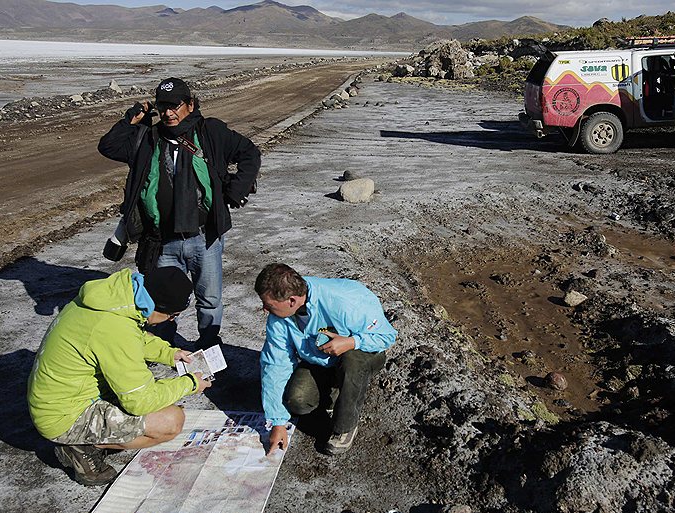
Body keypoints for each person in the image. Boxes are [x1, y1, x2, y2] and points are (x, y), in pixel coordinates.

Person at [98, 77, 261, 350]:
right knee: (161, 300)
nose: (169, 113)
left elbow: (249, 153)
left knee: (209, 299)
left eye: (175, 106)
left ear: (190, 104)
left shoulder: (211, 132)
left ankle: (209, 345)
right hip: (162, 240)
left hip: (204, 237)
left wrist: (236, 190)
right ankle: (162, 348)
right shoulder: (147, 138)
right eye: (163, 107)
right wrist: (132, 118)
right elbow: (108, 146)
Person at [27, 266, 212, 486]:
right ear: (155, 306)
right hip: (64, 417)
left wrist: (170, 354)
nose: (171, 321)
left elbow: (136, 338)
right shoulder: (114, 327)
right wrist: (190, 383)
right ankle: (81, 448)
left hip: (62, 398)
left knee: (155, 398)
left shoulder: (115, 301)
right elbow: (140, 402)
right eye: (172, 315)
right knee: (171, 421)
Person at [255, 263, 397, 456]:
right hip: (319, 360)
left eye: (269, 305)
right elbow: (275, 363)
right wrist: (278, 422)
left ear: (292, 300)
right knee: (297, 401)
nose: (264, 310)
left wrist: (352, 342)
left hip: (363, 353)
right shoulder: (278, 318)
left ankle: (345, 426)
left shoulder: (346, 302)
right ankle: (336, 391)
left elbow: (386, 336)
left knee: (353, 362)